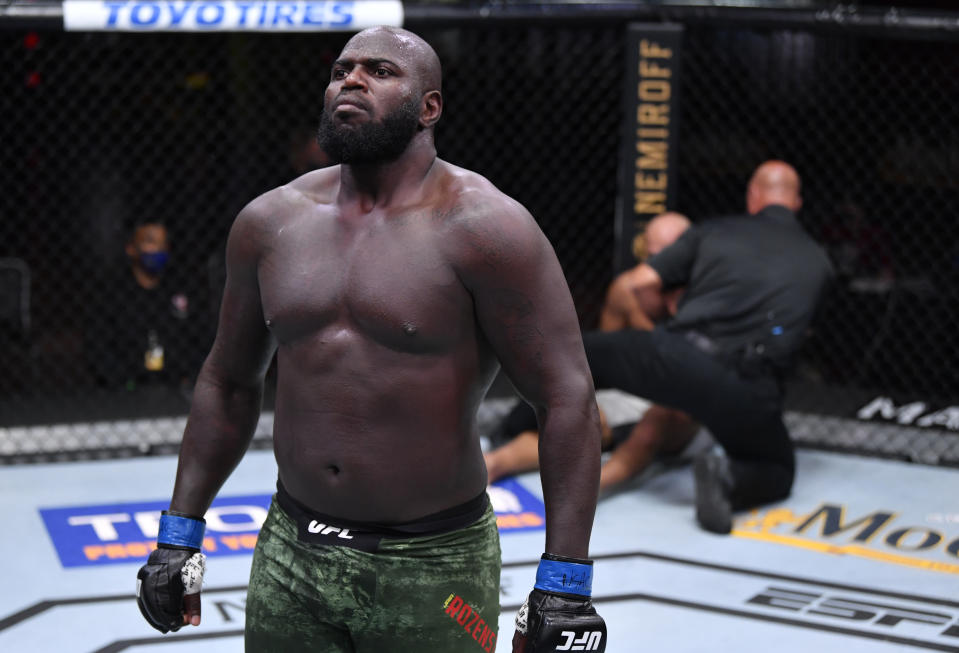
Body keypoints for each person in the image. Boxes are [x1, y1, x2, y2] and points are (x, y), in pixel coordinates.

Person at [135, 26, 606, 653]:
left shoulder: (485, 229)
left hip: (434, 562)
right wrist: (179, 533)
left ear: (429, 109)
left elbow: (566, 397)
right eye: (341, 70)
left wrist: (565, 581)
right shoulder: (271, 223)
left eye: (380, 71)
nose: (350, 81)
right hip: (291, 549)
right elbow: (228, 380)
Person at [593, 160, 832, 533]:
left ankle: (515, 422)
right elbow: (803, 336)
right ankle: (728, 477)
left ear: (753, 196)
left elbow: (637, 283)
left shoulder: (715, 231)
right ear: (796, 203)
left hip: (678, 357)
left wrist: (651, 330)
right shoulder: (819, 262)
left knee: (580, 354)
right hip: (748, 388)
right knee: (778, 470)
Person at [486, 212, 697, 486]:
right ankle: (493, 462)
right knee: (578, 417)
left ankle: (595, 487)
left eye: (667, 256)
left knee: (659, 419)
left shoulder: (707, 296)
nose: (657, 264)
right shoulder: (628, 291)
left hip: (680, 397)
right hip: (630, 390)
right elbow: (609, 363)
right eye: (652, 254)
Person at [85, 219, 208, 397]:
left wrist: (188, 375)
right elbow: (97, 346)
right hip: (126, 391)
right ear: (131, 248)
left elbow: (203, 338)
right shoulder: (111, 293)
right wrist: (124, 381)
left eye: (163, 244)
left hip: (178, 388)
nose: (158, 249)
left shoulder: (183, 288)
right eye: (150, 242)